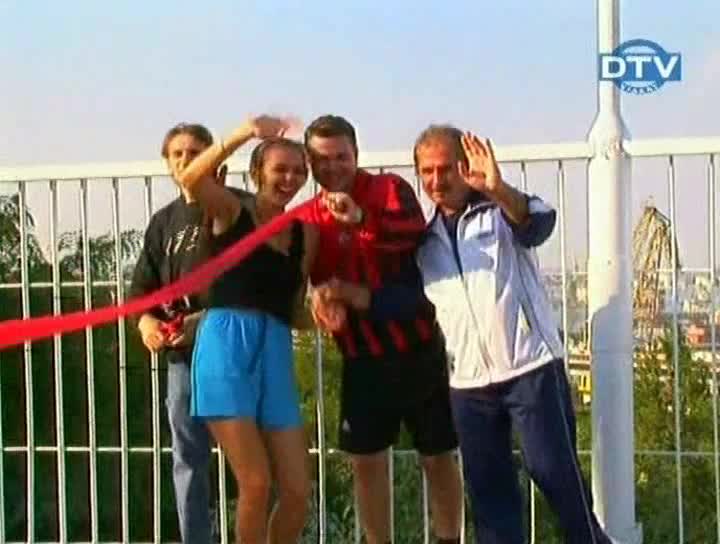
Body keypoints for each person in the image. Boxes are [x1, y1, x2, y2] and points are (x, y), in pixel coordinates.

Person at [319, 125, 614, 544]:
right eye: (427, 171)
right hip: (468, 384)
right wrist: (342, 294)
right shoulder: (427, 242)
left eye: (445, 169)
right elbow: (407, 301)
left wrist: (498, 189)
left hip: (530, 369)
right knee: (489, 497)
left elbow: (539, 223)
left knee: (555, 475)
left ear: (465, 166)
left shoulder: (500, 214)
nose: (436, 181)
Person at [304, 115, 463, 544]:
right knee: (367, 462)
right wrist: (321, 301)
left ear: (356, 154)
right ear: (310, 162)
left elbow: (411, 238)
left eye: (341, 156)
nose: (332, 166)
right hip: (360, 356)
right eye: (322, 159)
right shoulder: (309, 218)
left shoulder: (389, 188)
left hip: (417, 346)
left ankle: (449, 538)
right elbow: (311, 281)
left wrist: (360, 219)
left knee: (438, 455)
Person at [175, 115, 317, 544]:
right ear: (257, 173)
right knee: (255, 483)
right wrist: (242, 133)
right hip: (226, 348)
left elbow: (295, 310)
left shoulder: (305, 235)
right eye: (280, 169)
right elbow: (190, 177)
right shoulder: (232, 210)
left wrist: (326, 313)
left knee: (297, 491)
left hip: (274, 350)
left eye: (298, 171)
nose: (289, 178)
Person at [130, 122, 251, 543]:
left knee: (253, 461)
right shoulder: (163, 223)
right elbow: (140, 292)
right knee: (188, 459)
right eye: (177, 153)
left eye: (196, 152)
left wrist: (205, 321)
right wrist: (146, 323)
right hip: (182, 361)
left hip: (237, 353)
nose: (186, 160)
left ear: (216, 160)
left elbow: (256, 283)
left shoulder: (239, 209)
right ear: (167, 163)